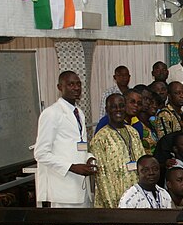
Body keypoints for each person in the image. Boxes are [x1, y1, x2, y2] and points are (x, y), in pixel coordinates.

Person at [34, 71, 96, 208]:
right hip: (64, 188)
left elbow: (80, 145)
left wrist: (89, 158)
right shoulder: (51, 113)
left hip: (82, 187)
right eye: (70, 84)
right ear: (60, 87)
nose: (76, 88)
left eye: (78, 84)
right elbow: (41, 153)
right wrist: (72, 167)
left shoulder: (79, 113)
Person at [90, 93, 146, 208]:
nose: (118, 110)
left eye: (121, 106)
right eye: (113, 107)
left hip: (137, 194)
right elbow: (102, 176)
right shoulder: (100, 138)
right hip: (114, 198)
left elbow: (143, 162)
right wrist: (112, 207)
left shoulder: (133, 132)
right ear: (107, 110)